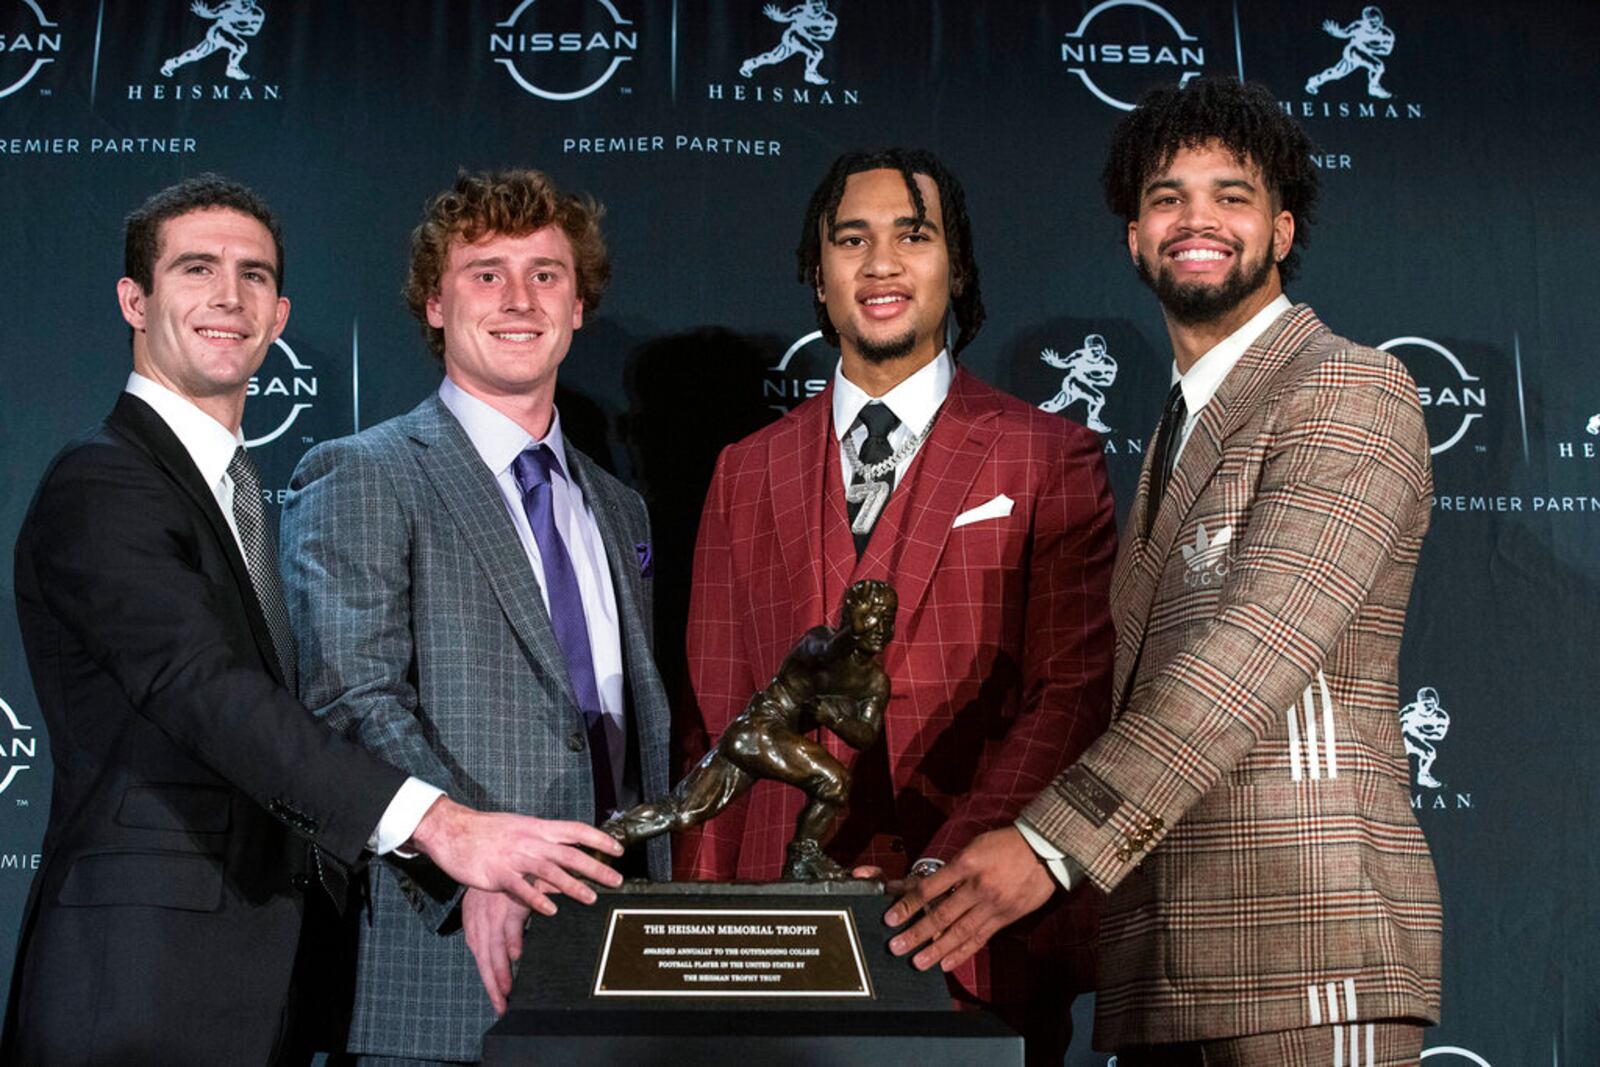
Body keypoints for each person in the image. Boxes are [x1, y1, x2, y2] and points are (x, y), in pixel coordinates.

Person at [1, 174, 625, 1066]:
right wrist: (446, 827)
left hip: (272, 987)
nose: (228, 296)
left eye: (254, 276)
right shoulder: (102, 482)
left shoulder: (239, 493)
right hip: (139, 987)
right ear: (133, 300)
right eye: (197, 269)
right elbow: (202, 690)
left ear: (282, 313)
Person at [885, 79, 1443, 1066]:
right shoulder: (1171, 436)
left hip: (1304, 966)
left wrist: (1048, 843)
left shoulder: (1346, 385)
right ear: (1134, 239)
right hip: (1159, 974)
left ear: (1279, 231)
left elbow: (1249, 655)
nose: (1196, 218)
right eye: (1166, 196)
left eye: (1231, 195)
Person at [675, 148, 1117, 1064]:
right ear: (819, 272)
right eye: (852, 240)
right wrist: (703, 945)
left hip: (974, 946)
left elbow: (1070, 695)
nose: (881, 264)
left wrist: (940, 870)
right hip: (773, 954)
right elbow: (713, 719)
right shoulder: (742, 469)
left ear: (954, 266)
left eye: (912, 237)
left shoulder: (1050, 456)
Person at [280, 169, 673, 1063]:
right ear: (433, 303)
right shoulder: (366, 472)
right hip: (447, 970)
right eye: (485, 273)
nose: (519, 298)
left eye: (545, 273)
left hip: (619, 967)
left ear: (579, 307)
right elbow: (350, 701)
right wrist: (462, 868)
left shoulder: (619, 507)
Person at [604, 579, 895, 879]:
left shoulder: (875, 683)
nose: (880, 627)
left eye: (888, 619)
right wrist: (853, 631)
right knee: (834, 781)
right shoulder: (818, 641)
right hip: (758, 729)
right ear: (851, 617)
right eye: (873, 616)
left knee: (683, 810)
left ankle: (610, 837)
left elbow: (866, 735)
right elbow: (828, 654)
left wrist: (834, 719)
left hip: (756, 740)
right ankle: (802, 857)